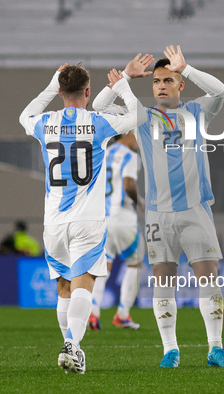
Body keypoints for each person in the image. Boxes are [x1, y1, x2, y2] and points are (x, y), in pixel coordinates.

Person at [93, 46, 224, 368]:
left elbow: (220, 90)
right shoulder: (142, 117)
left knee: (208, 277)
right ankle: (169, 350)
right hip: (159, 213)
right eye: (156, 81)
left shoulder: (199, 112)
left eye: (168, 80)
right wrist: (126, 76)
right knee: (163, 279)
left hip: (195, 209)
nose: (160, 85)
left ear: (180, 84)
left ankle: (215, 347)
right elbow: (98, 106)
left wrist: (186, 68)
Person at [19, 63, 145, 374]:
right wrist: (123, 85)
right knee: (83, 286)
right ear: (87, 92)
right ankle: (72, 345)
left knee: (64, 287)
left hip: (54, 222)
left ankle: (70, 347)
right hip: (88, 221)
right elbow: (139, 116)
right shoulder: (99, 123)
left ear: (60, 92)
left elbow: (24, 115)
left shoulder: (44, 122)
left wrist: (51, 84)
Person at [89, 131, 142, 331]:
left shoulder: (103, 152)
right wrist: (140, 202)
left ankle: (93, 313)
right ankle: (122, 314)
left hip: (102, 217)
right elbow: (128, 184)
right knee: (136, 262)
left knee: (104, 266)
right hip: (123, 217)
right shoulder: (130, 156)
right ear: (129, 133)